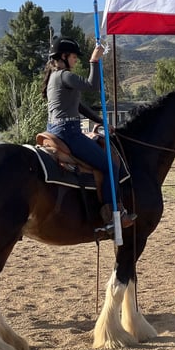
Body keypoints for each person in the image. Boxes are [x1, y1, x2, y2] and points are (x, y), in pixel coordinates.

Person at [42, 37, 135, 231]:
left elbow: (79, 106)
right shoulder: (64, 75)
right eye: (74, 56)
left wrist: (101, 121)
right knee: (110, 166)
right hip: (69, 133)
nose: (76, 60)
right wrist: (94, 60)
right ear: (64, 56)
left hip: (57, 129)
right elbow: (93, 85)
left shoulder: (54, 77)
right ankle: (112, 215)